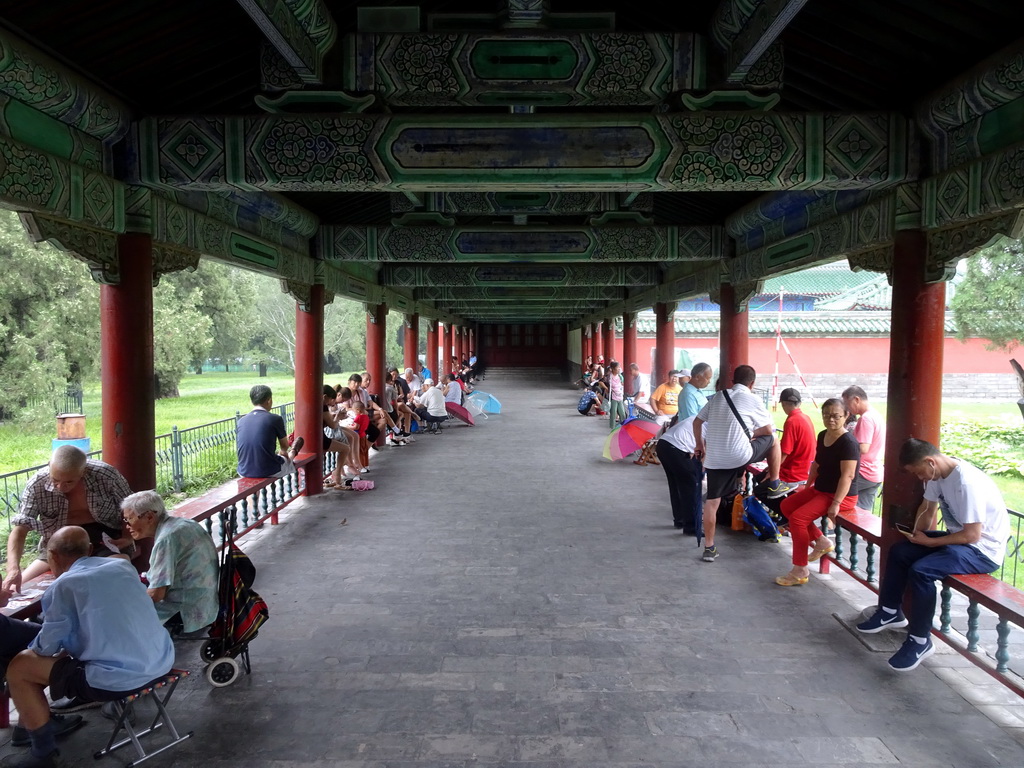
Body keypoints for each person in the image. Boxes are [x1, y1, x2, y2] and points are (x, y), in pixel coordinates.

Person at [4, 526, 175, 768]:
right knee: (71, 648)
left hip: (117, 680)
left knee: (20, 667)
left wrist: (38, 646)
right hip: (161, 661)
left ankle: (42, 753)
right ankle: (36, 720)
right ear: (90, 549)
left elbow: (46, 647)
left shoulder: (63, 586)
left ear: (51, 555)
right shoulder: (123, 567)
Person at [856, 438, 1010, 672]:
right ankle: (890, 612)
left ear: (931, 462)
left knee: (922, 571)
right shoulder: (938, 475)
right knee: (900, 551)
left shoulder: (966, 483)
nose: (921, 479)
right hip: (959, 540)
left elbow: (972, 535)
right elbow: (928, 508)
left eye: (920, 473)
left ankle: (920, 640)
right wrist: (919, 534)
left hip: (982, 551)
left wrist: (931, 542)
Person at [692, 365, 796, 563]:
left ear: (732, 380)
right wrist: (749, 434)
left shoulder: (717, 397)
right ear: (752, 383)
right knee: (774, 438)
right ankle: (774, 482)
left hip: (714, 458)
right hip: (740, 455)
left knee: (712, 503)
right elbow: (767, 429)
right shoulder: (753, 399)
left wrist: (700, 446)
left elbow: (697, 422)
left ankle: (709, 548)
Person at [4, 446, 134, 592]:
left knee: (119, 569)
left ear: (83, 471)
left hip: (103, 537)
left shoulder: (105, 475)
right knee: (15, 588)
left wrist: (127, 536)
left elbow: (130, 505)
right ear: (49, 466)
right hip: (60, 542)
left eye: (69, 482)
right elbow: (20, 528)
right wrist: (13, 568)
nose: (60, 486)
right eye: (55, 480)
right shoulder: (36, 484)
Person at [774, 398, 859, 586]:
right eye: (827, 415)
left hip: (841, 495)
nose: (831, 420)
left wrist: (836, 504)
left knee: (798, 519)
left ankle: (800, 570)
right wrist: (807, 485)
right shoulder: (822, 435)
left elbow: (848, 476)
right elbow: (817, 464)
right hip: (821, 489)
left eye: (836, 416)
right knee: (787, 505)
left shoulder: (849, 443)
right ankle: (821, 541)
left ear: (846, 416)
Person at [121, 490, 218, 634]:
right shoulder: (185, 524)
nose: (127, 525)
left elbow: (156, 594)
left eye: (129, 519)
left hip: (186, 609)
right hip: (207, 601)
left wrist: (128, 606)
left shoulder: (166, 539)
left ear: (149, 517)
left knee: (124, 618)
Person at [236, 385, 304, 479]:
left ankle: (255, 494)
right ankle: (293, 452)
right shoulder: (275, 419)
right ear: (269, 400)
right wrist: (283, 453)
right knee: (287, 459)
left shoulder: (241, 421)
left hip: (243, 470)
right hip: (268, 470)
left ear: (252, 401)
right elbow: (284, 446)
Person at [656, 415, 703, 533]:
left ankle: (680, 519)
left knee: (676, 484)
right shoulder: (714, 424)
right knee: (690, 486)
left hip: (664, 445)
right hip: (674, 448)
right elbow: (704, 451)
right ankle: (691, 526)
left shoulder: (698, 417)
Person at [842, 385, 885, 511]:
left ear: (856, 399)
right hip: (875, 473)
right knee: (863, 511)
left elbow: (863, 448)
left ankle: (828, 528)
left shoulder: (865, 419)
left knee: (833, 496)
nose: (846, 407)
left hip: (863, 472)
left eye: (846, 403)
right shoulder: (875, 415)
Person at [778, 388, 816, 487]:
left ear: (784, 404)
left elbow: (785, 452)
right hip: (807, 470)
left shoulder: (791, 421)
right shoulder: (806, 417)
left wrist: (773, 471)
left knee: (760, 487)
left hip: (793, 474)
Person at [606, 361, 625, 429]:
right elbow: (610, 386)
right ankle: (612, 428)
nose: (619, 369)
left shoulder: (620, 376)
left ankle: (623, 428)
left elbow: (622, 385)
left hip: (620, 397)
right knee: (613, 414)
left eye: (619, 367)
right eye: (617, 368)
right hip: (613, 397)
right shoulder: (609, 377)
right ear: (613, 369)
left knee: (622, 413)